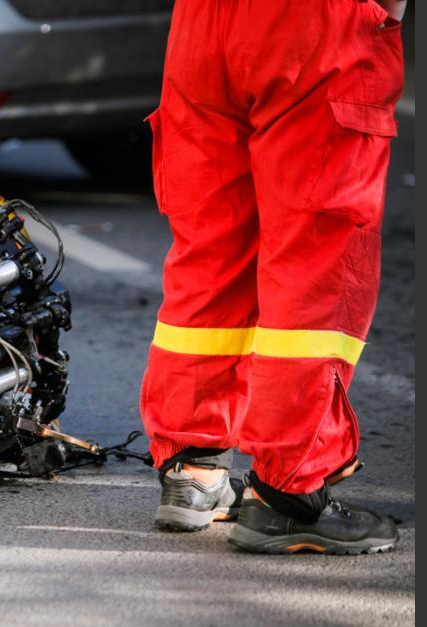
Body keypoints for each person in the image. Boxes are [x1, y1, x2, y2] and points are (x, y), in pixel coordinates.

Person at [139, 0, 406, 553]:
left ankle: (196, 470)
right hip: (318, 24)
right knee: (314, 257)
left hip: (205, 24)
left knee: (212, 247)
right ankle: (290, 493)